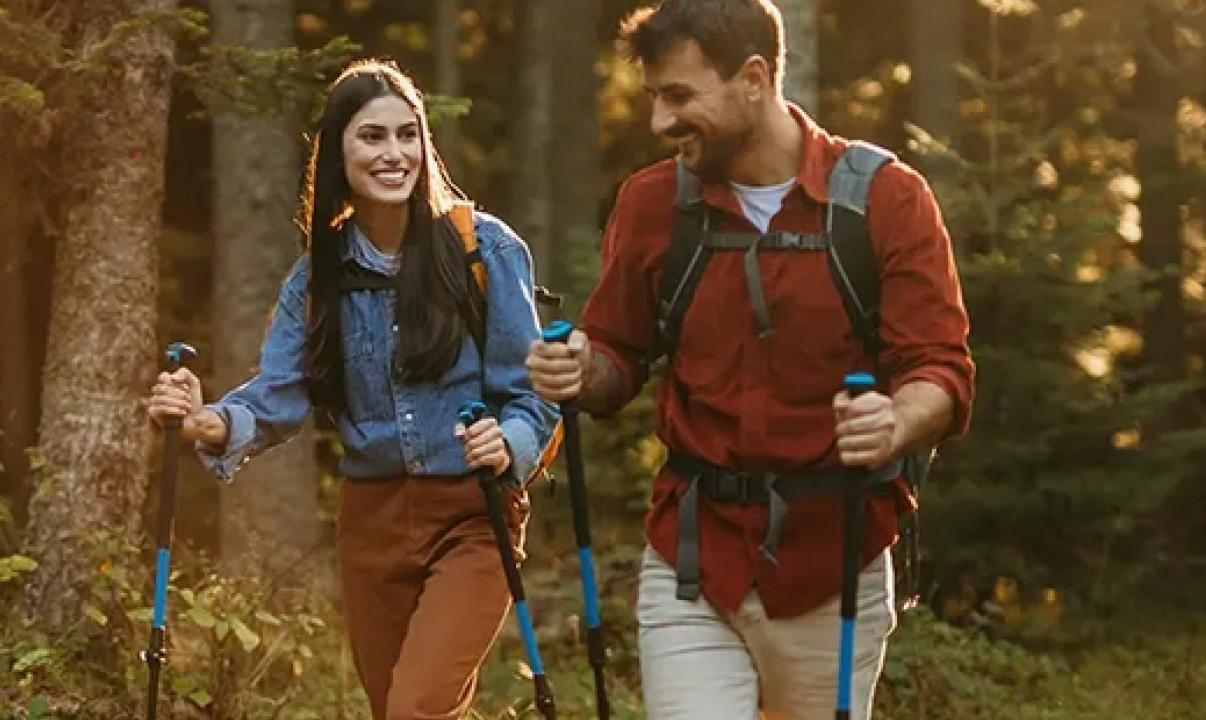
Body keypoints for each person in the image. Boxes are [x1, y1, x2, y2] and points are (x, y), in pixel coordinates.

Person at [526, 1, 975, 718]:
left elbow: (941, 370)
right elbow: (616, 353)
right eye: (652, 99)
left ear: (755, 78)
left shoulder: (886, 201)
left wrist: (894, 423)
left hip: (835, 564)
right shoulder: (652, 205)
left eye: (679, 97)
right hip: (692, 564)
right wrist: (581, 371)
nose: (659, 122)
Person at [146, 59, 560, 720]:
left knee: (416, 708)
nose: (394, 154)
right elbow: (274, 397)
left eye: (407, 135)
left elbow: (535, 396)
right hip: (371, 522)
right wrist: (202, 421)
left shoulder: (486, 250)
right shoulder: (317, 280)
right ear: (339, 152)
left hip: (473, 514)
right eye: (373, 137)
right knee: (394, 708)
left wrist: (505, 443)